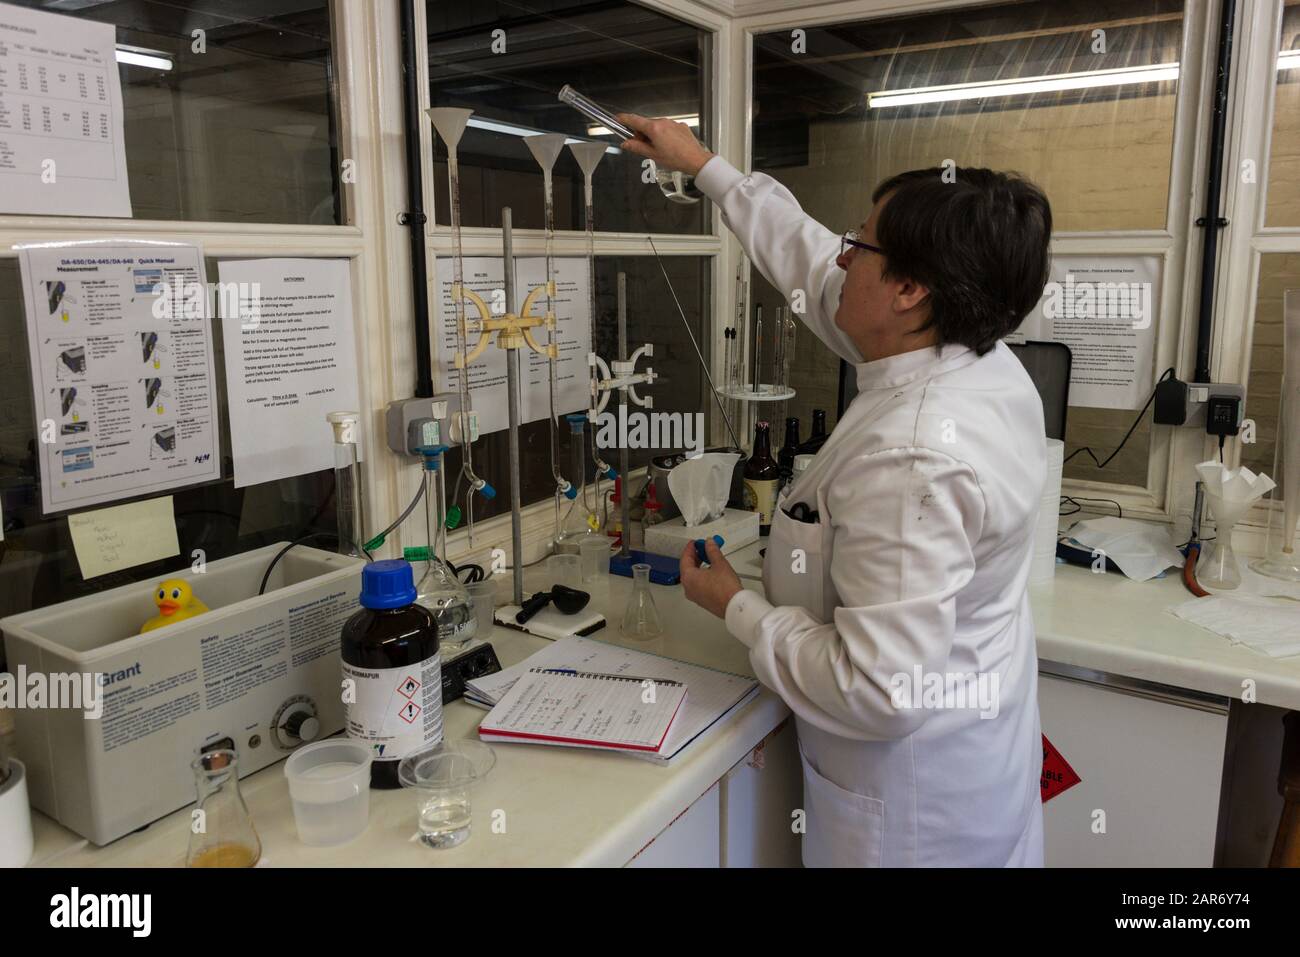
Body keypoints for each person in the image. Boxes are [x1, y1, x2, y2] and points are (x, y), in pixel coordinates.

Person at [619, 113, 1052, 867]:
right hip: (976, 770)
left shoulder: (916, 456)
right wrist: (706, 168)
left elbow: (881, 689)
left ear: (911, 290)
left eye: (861, 245)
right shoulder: (976, 354)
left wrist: (738, 607)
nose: (842, 256)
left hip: (913, 823)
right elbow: (810, 263)